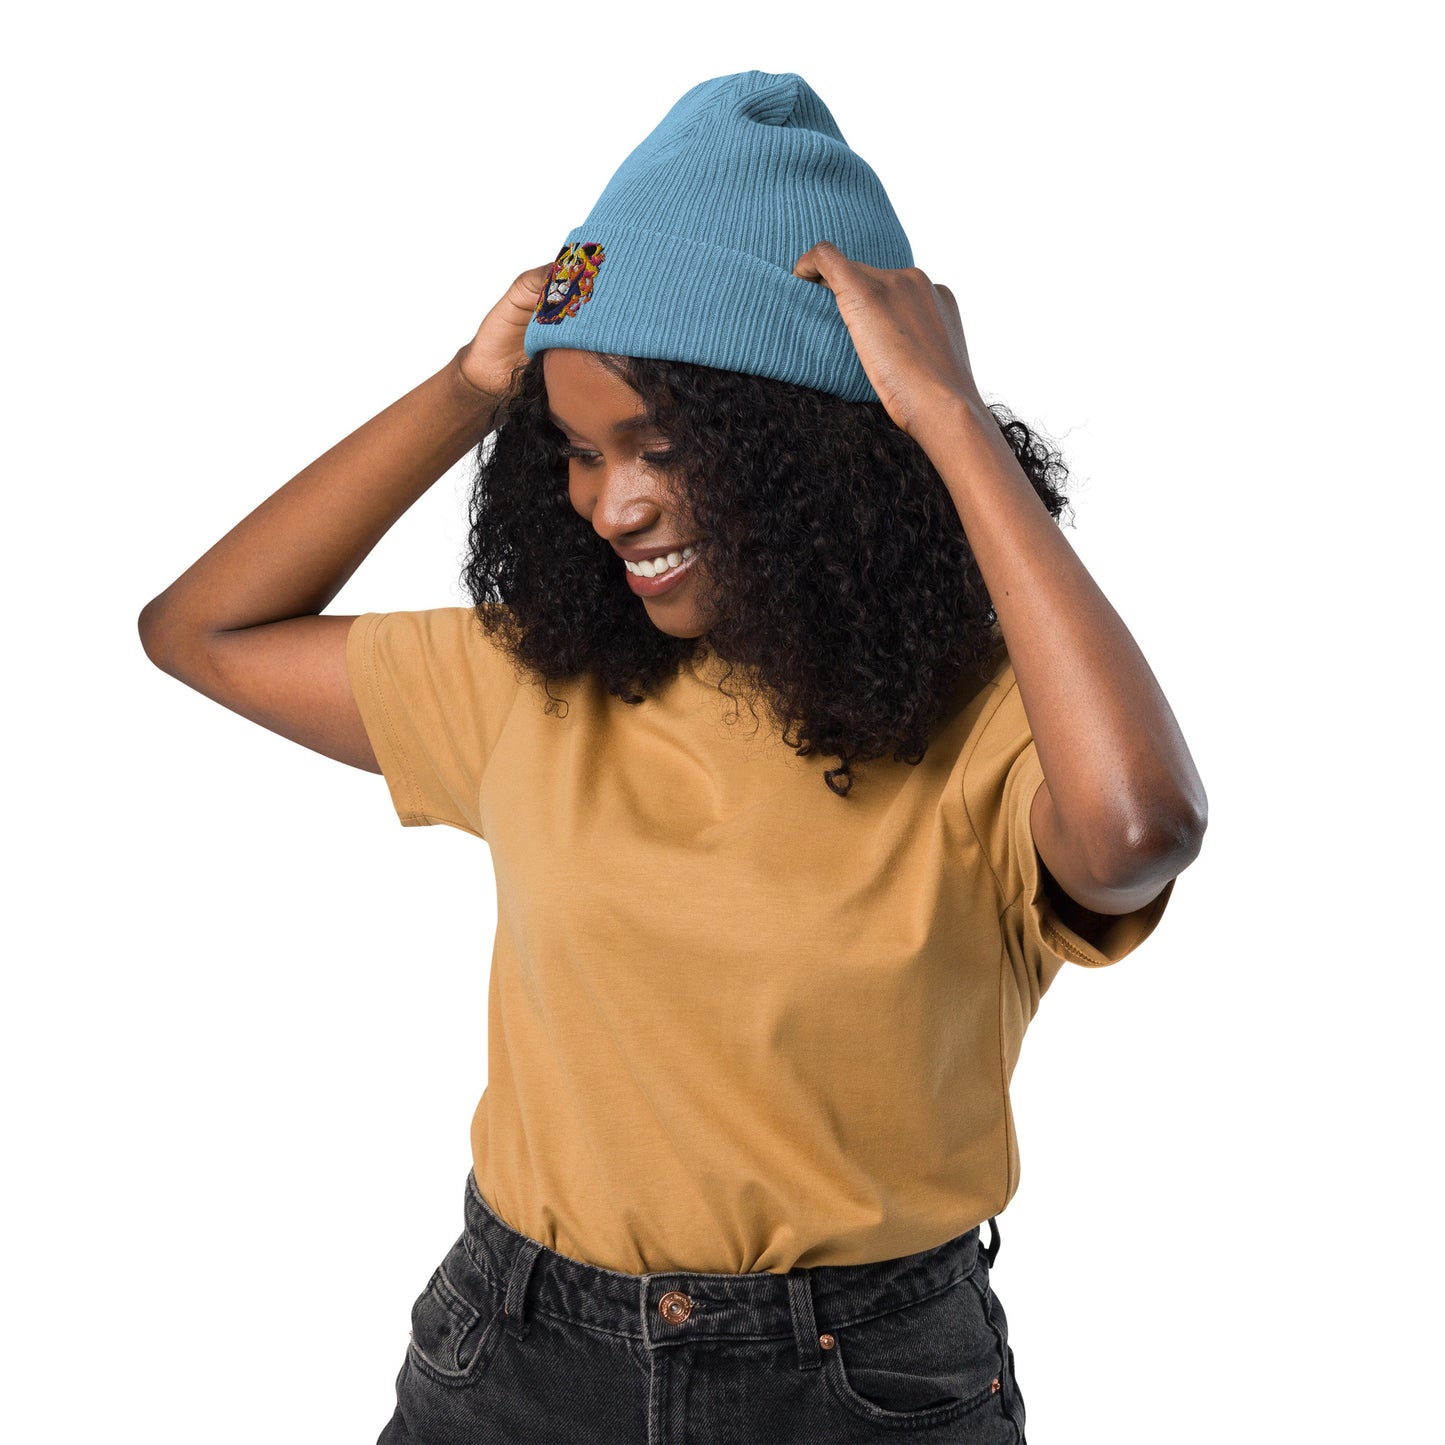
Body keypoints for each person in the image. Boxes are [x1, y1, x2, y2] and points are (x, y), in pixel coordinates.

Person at [139, 70, 1206, 1445]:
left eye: (658, 447)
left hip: (859, 1389)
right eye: (576, 452)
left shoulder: (994, 725)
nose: (612, 505)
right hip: (513, 1359)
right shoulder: (534, 682)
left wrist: (947, 416)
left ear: (807, 451)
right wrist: (467, 387)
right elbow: (203, 631)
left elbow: (1137, 826)